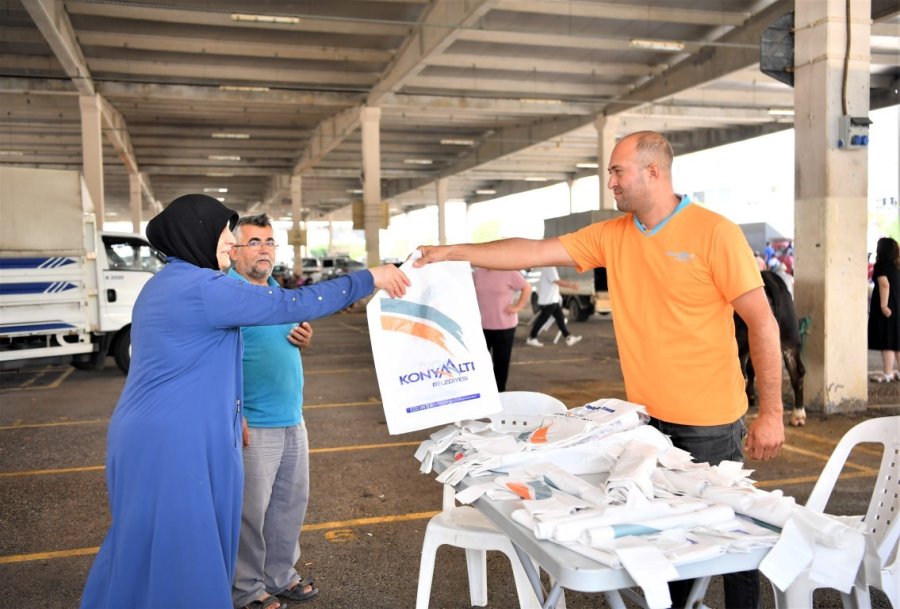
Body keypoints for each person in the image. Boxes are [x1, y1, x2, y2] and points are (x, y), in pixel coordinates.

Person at [415, 131, 784, 609]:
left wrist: (771, 410)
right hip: (647, 423)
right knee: (665, 540)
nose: (609, 181)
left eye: (617, 171)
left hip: (710, 422)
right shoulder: (613, 236)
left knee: (732, 542)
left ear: (653, 172)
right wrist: (451, 252)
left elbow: (763, 322)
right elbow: (530, 252)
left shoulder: (715, 232)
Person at [80, 194, 409, 609]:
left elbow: (206, 361)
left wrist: (233, 412)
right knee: (185, 541)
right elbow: (293, 302)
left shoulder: (170, 283)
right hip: (172, 437)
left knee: (152, 542)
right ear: (194, 236)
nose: (230, 245)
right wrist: (369, 278)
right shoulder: (202, 288)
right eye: (224, 236)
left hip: (163, 430)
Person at [227, 214, 317, 609]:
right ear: (233, 250)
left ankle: (280, 576)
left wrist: (304, 338)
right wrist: (235, 412)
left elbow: (283, 344)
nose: (264, 248)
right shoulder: (227, 295)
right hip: (254, 424)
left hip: (292, 418)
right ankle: (246, 589)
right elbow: (212, 363)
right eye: (254, 242)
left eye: (269, 241)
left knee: (288, 505)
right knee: (251, 515)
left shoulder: (278, 291)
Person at [472, 267, 532, 392]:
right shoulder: (477, 273)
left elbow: (526, 288)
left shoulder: (509, 272)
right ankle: (485, 393)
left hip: (505, 327)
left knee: (501, 364)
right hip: (480, 327)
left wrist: (517, 307)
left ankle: (500, 393)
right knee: (481, 363)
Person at [867, 237, 900, 383]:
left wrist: (883, 306)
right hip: (898, 305)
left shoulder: (881, 266)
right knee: (897, 341)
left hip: (888, 306)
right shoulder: (898, 265)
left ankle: (887, 373)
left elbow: (884, 284)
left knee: (888, 341)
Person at [525, 266, 582, 347]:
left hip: (552, 300)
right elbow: (557, 281)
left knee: (560, 318)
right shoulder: (550, 268)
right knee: (542, 320)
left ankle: (568, 337)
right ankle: (532, 337)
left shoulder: (550, 267)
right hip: (548, 301)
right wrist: (571, 285)